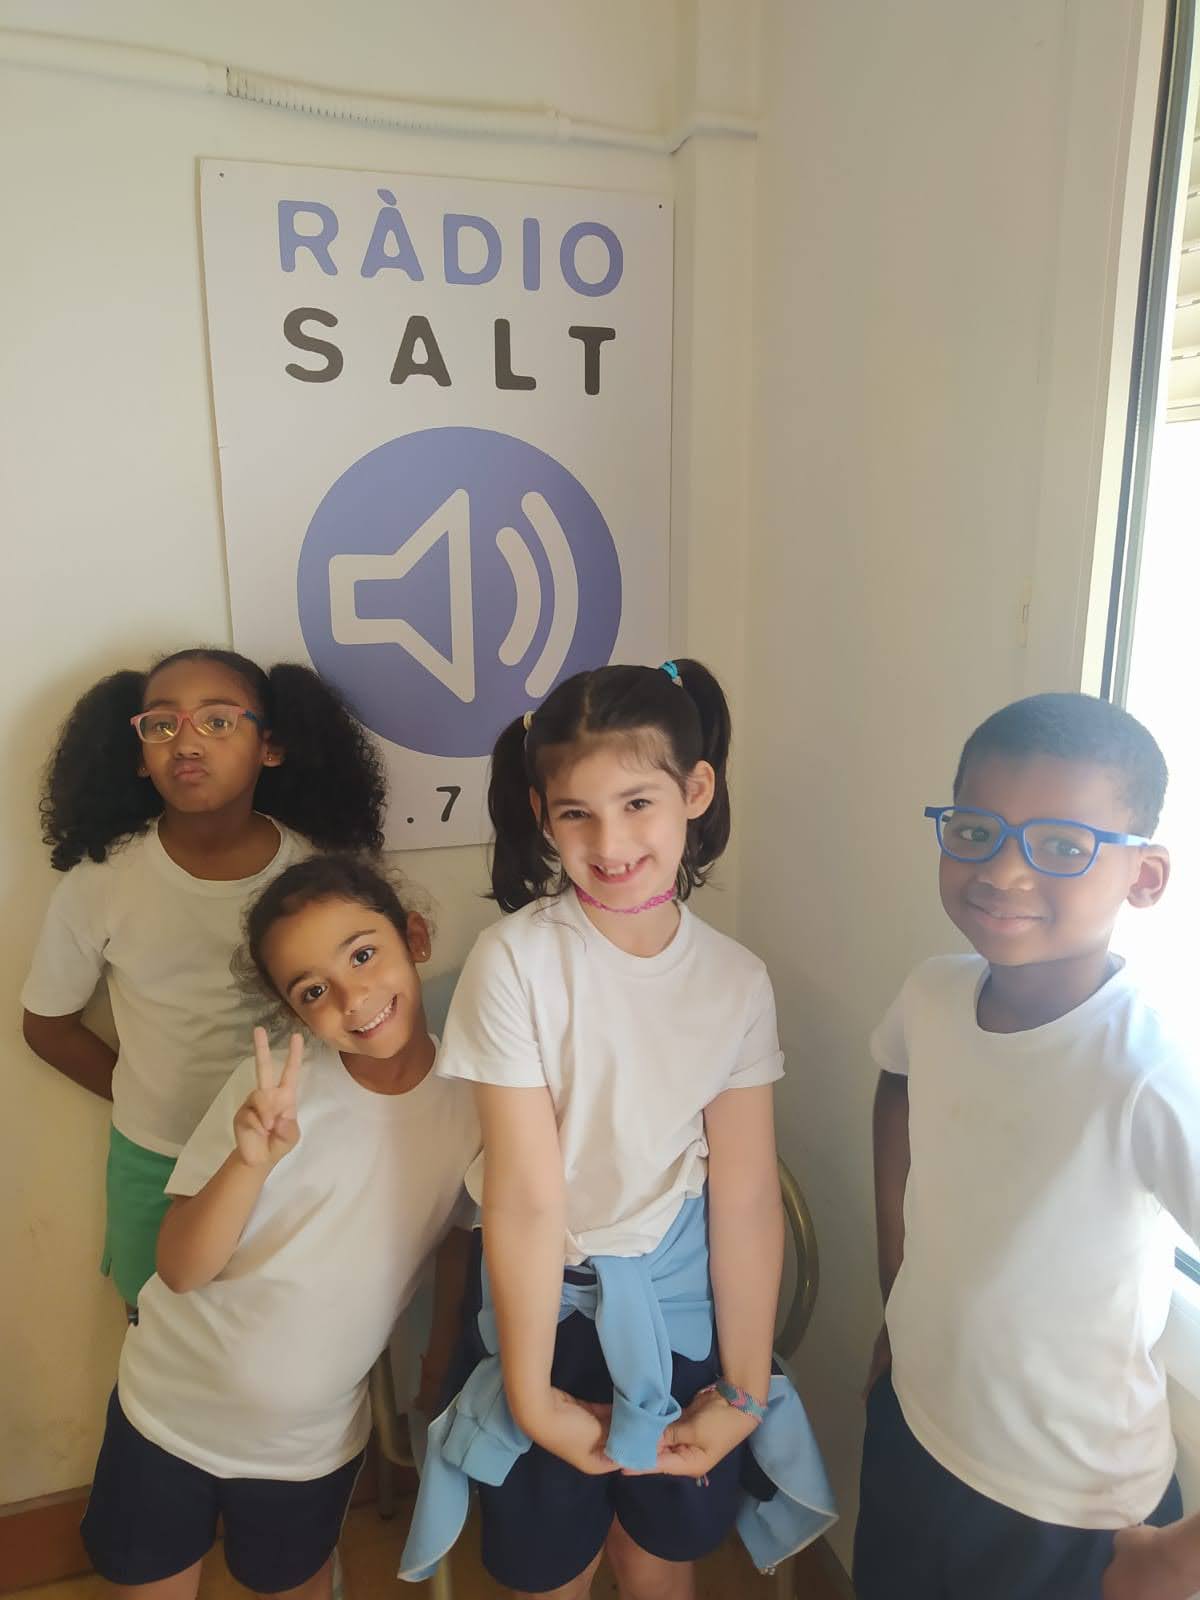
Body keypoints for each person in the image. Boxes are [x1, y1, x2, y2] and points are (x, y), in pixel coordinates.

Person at [400, 660, 835, 1600]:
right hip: (542, 1314)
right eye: (576, 814)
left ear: (695, 790)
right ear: (541, 813)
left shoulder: (734, 980)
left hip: (680, 1319)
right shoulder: (515, 962)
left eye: (638, 803)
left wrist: (744, 1390)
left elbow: (745, 1196)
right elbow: (524, 1195)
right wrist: (530, 1397)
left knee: (659, 1559)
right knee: (548, 1570)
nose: (610, 843)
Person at [855, 692, 1200, 1600]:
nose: (1003, 871)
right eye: (975, 831)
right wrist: (899, 1291)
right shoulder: (933, 994)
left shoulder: (1151, 1069)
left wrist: (1179, 1559)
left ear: (1145, 877)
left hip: (1069, 1512)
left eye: (1062, 846)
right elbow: (897, 1083)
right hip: (915, 1435)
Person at [80, 853, 480, 1600]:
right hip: (165, 1416)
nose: (353, 997)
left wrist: (439, 1356)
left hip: (306, 1449)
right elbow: (180, 1269)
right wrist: (249, 1161)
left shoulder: (474, 1104)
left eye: (363, 954)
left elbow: (459, 1232)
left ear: (415, 937)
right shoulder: (273, 1095)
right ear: (295, 1015)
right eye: (314, 991)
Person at [21, 647, 387, 1310]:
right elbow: (46, 1027)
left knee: (291, 1324)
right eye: (161, 725)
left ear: (271, 746)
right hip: (155, 1162)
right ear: (139, 755)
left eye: (218, 721)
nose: (186, 742)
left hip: (294, 1152)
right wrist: (144, 1097)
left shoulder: (314, 876)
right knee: (158, 1326)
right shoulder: (101, 883)